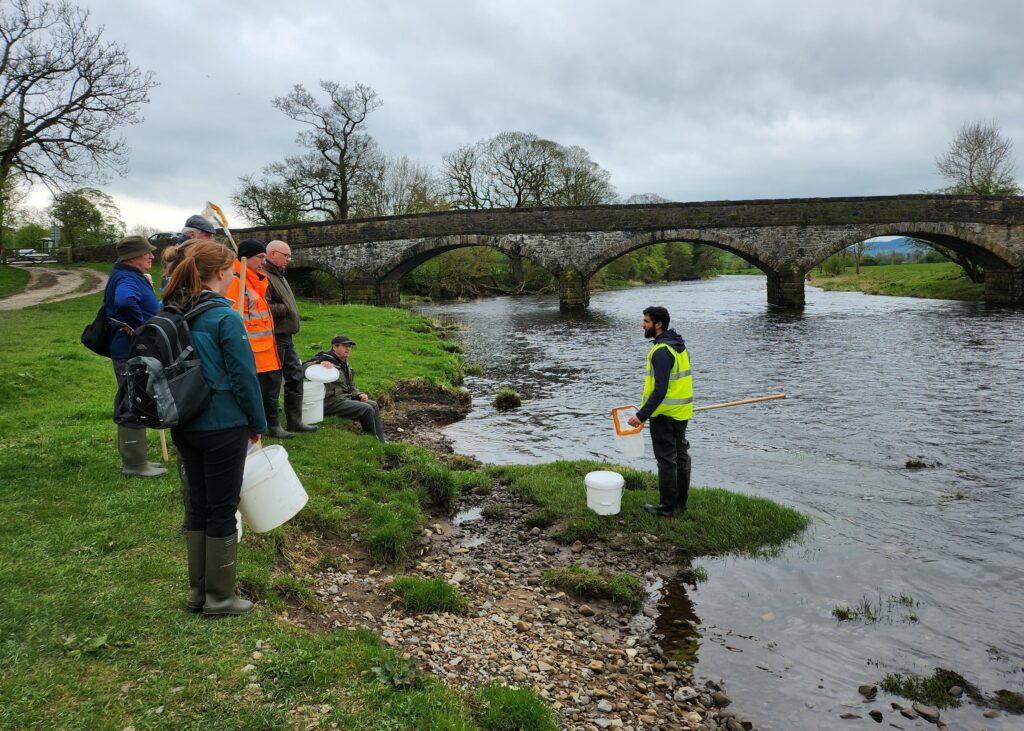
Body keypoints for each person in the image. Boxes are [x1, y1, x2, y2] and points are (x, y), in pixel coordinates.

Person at [161, 240, 267, 617]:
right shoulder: (225, 317)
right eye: (232, 271)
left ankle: (197, 593)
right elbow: (244, 377)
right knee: (223, 507)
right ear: (222, 273)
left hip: (184, 422)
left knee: (198, 504)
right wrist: (258, 423)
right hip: (224, 424)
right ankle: (220, 598)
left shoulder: (174, 310)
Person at [105, 236, 167, 478]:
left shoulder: (128, 274)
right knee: (133, 400)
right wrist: (141, 326)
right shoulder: (127, 277)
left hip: (132, 349)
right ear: (132, 257)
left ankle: (137, 460)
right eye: (146, 253)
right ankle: (133, 464)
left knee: (135, 398)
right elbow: (124, 301)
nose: (151, 256)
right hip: (130, 350)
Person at [627, 306, 693, 518]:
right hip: (681, 413)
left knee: (667, 460)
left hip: (664, 416)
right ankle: (680, 504)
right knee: (680, 457)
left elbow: (661, 389)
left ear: (658, 324)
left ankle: (666, 509)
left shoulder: (661, 351)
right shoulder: (678, 346)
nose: (642, 324)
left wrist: (640, 416)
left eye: (646, 321)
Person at [235, 239, 290, 439]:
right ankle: (259, 428)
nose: (263, 261)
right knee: (258, 392)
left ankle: (272, 425)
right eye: (260, 257)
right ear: (245, 258)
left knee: (271, 389)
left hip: (268, 350)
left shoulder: (257, 281)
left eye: (265, 257)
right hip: (253, 352)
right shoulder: (237, 282)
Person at [263, 240, 316, 433]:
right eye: (286, 255)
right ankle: (272, 425)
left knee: (295, 376)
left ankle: (295, 421)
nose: (288, 259)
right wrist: (285, 308)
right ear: (273, 254)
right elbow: (262, 306)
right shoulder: (264, 276)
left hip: (287, 337)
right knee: (273, 381)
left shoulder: (279, 275)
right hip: (274, 337)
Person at [304, 335, 385, 441]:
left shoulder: (345, 364)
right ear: (335, 347)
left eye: (349, 346)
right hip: (328, 402)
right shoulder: (323, 359)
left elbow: (350, 386)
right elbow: (303, 368)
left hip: (343, 399)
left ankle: (381, 441)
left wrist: (358, 394)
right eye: (345, 346)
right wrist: (319, 363)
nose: (348, 348)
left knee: (373, 405)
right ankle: (372, 441)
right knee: (366, 409)